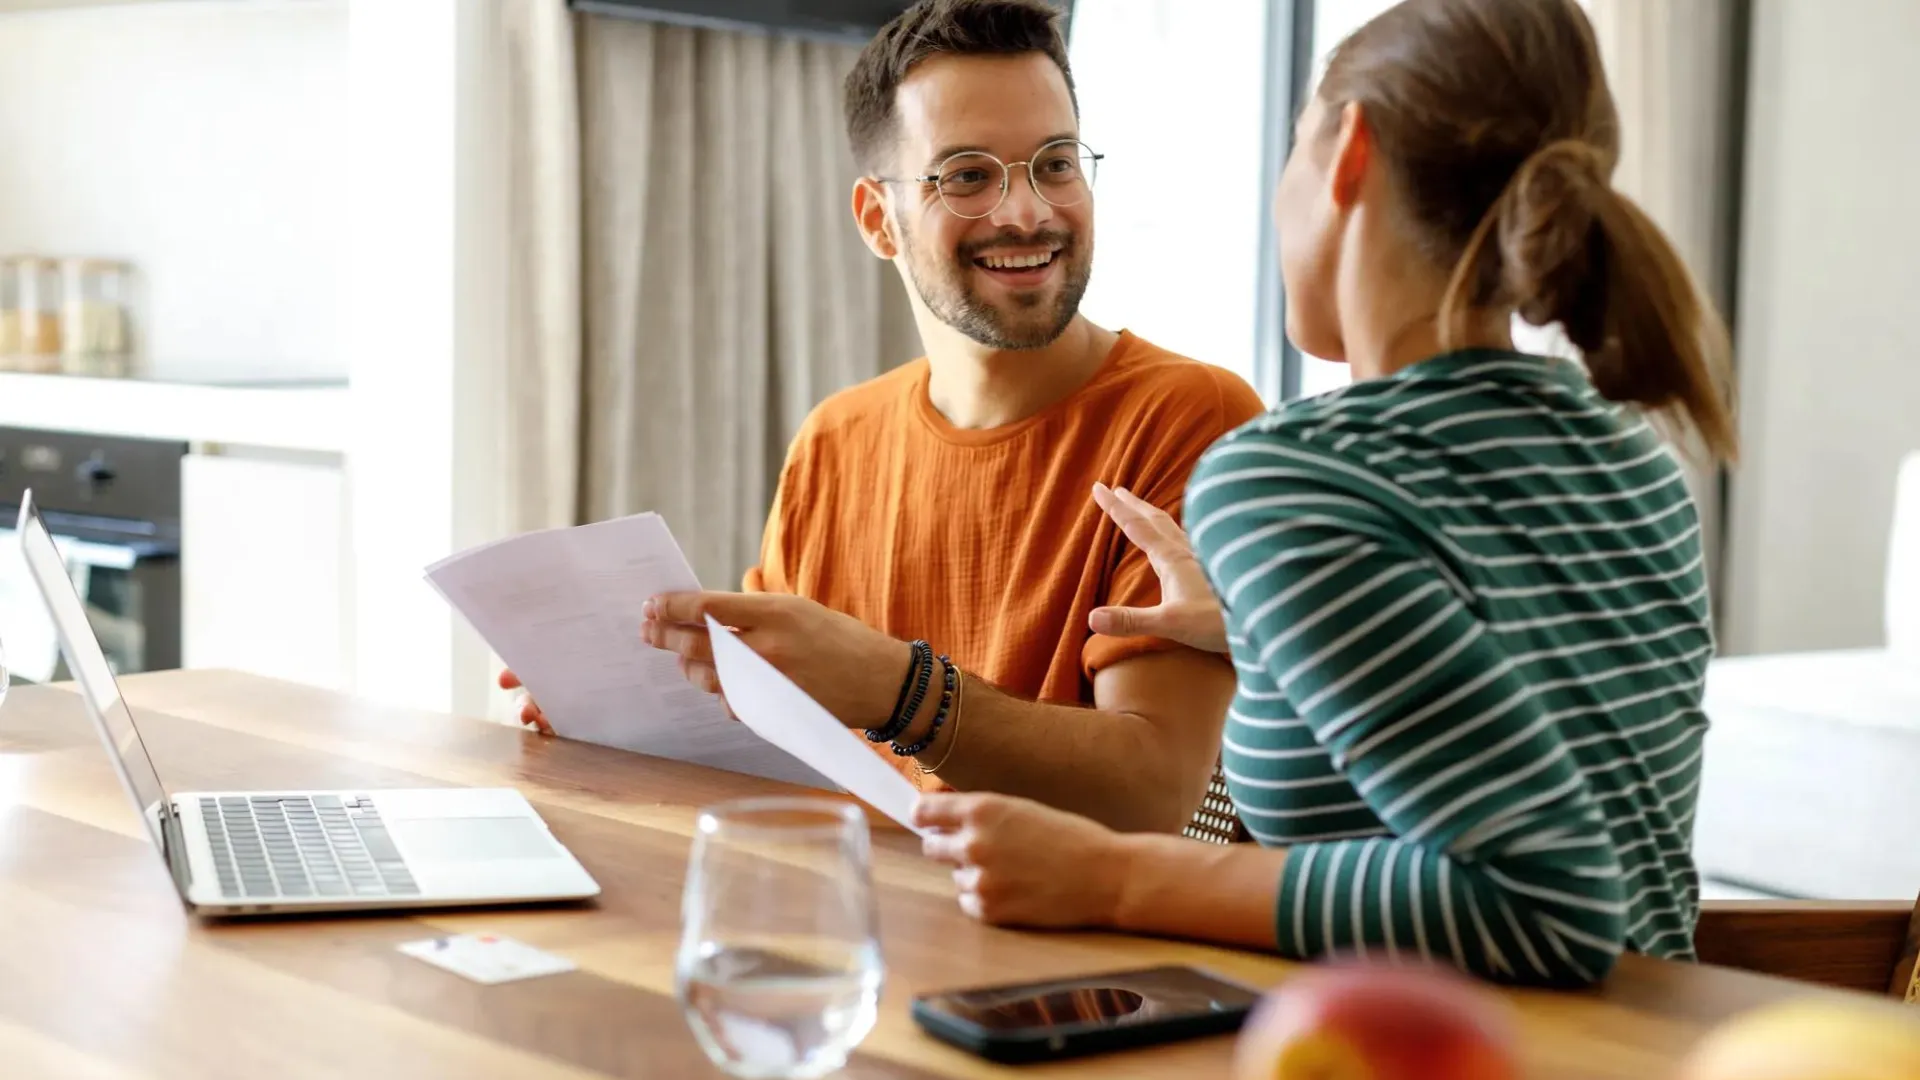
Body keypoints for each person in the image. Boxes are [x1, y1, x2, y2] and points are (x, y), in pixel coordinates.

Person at [905, 0, 1737, 988]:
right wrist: (1265, 628)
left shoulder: (1290, 481)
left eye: (1294, 146)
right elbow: (1524, 694)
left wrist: (1115, 874)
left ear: (1349, 152)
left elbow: (1551, 911)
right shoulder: (1634, 459)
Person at [505, 0, 1263, 835]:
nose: (1027, 213)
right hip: (853, 929)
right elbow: (778, 736)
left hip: (1053, 962)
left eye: (1055, 163)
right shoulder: (836, 439)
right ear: (878, 220)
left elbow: (1156, 792)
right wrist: (612, 702)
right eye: (968, 175)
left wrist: (900, 690)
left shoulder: (1191, 416)